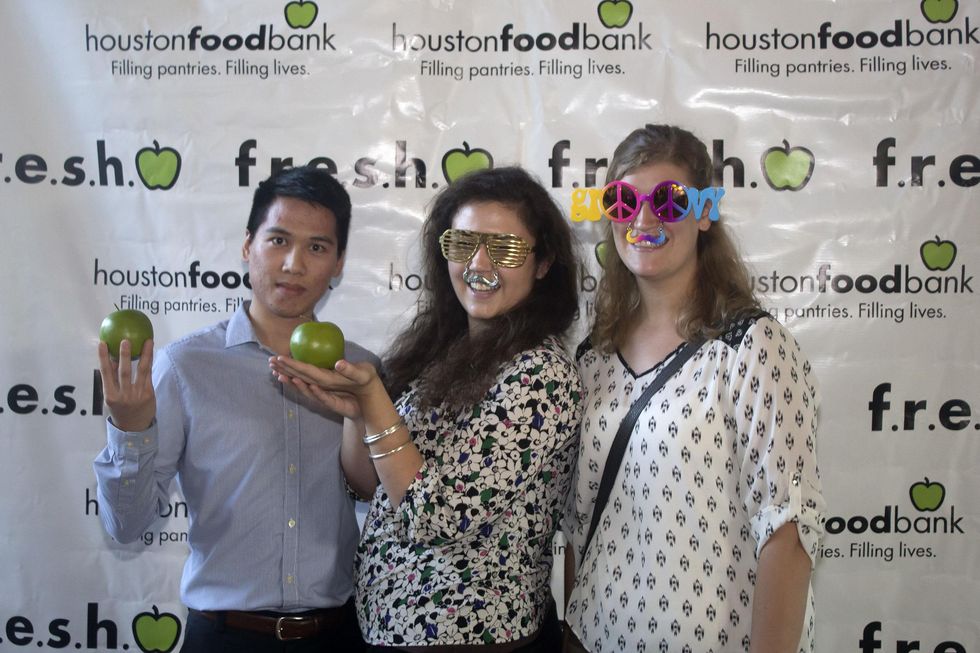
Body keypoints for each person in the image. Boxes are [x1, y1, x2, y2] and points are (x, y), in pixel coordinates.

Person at [269, 166, 583, 651]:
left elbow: (434, 518)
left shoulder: (540, 374)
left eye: (505, 248)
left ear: (542, 264)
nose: (479, 263)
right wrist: (359, 412)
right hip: (387, 629)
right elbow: (366, 483)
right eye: (462, 243)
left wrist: (376, 404)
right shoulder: (439, 353)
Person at [562, 124, 826, 653]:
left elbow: (788, 531)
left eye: (669, 199)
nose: (643, 218)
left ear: (705, 213)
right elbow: (578, 529)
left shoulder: (752, 347)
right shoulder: (592, 359)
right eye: (623, 201)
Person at [94, 165, 377, 652]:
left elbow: (376, 492)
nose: (293, 264)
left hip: (340, 635)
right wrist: (130, 428)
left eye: (317, 247)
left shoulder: (361, 372)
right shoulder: (186, 367)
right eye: (278, 240)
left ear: (339, 263)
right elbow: (127, 525)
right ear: (248, 246)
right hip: (224, 636)